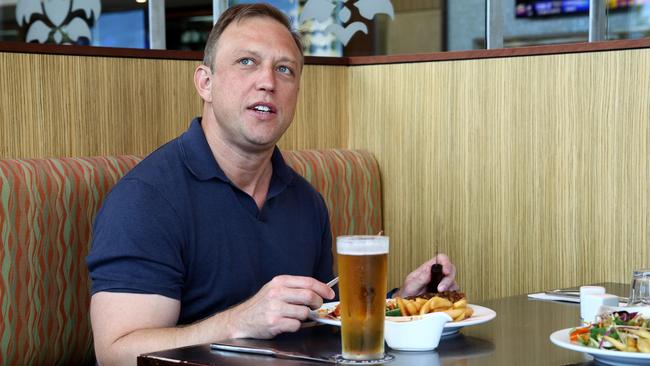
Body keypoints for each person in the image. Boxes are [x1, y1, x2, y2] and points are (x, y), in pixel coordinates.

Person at [86, 4, 458, 365]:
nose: (268, 82)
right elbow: (117, 352)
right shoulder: (147, 199)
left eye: (285, 69)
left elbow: (323, 316)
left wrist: (402, 304)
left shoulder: (305, 200)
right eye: (246, 61)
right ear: (206, 82)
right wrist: (238, 322)